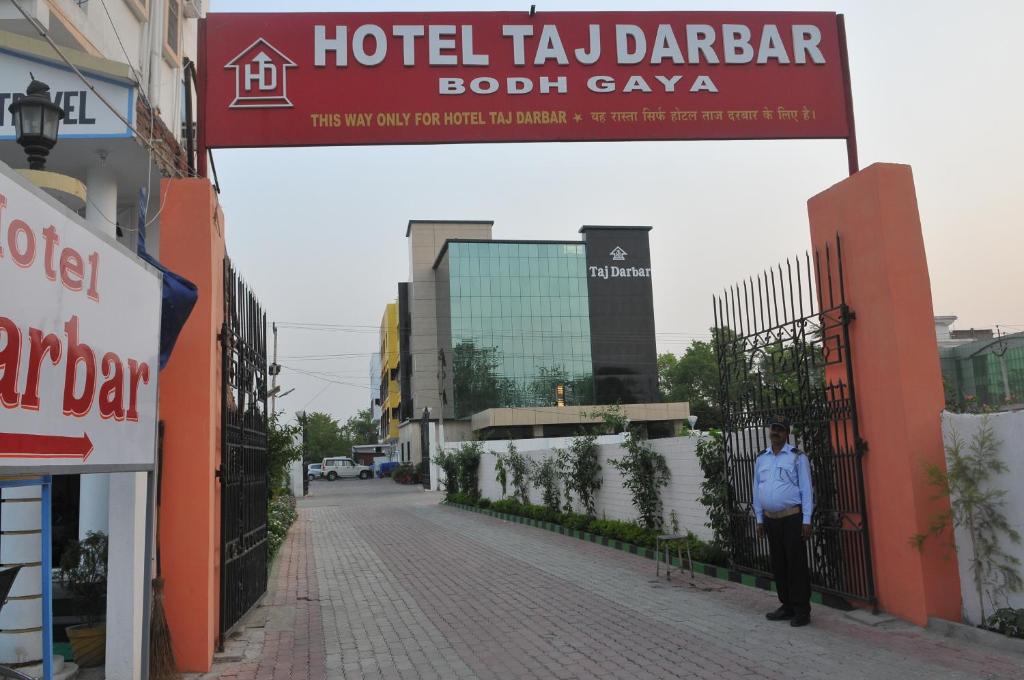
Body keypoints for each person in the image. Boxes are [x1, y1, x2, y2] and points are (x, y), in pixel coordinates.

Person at [753, 415, 814, 627]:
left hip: (792, 518)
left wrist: (807, 520)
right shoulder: (762, 458)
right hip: (770, 520)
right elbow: (756, 490)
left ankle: (801, 610)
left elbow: (806, 490)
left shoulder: (797, 457)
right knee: (778, 564)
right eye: (773, 428)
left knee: (796, 565)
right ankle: (786, 605)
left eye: (779, 429)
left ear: (786, 433)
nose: (775, 432)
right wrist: (759, 519)